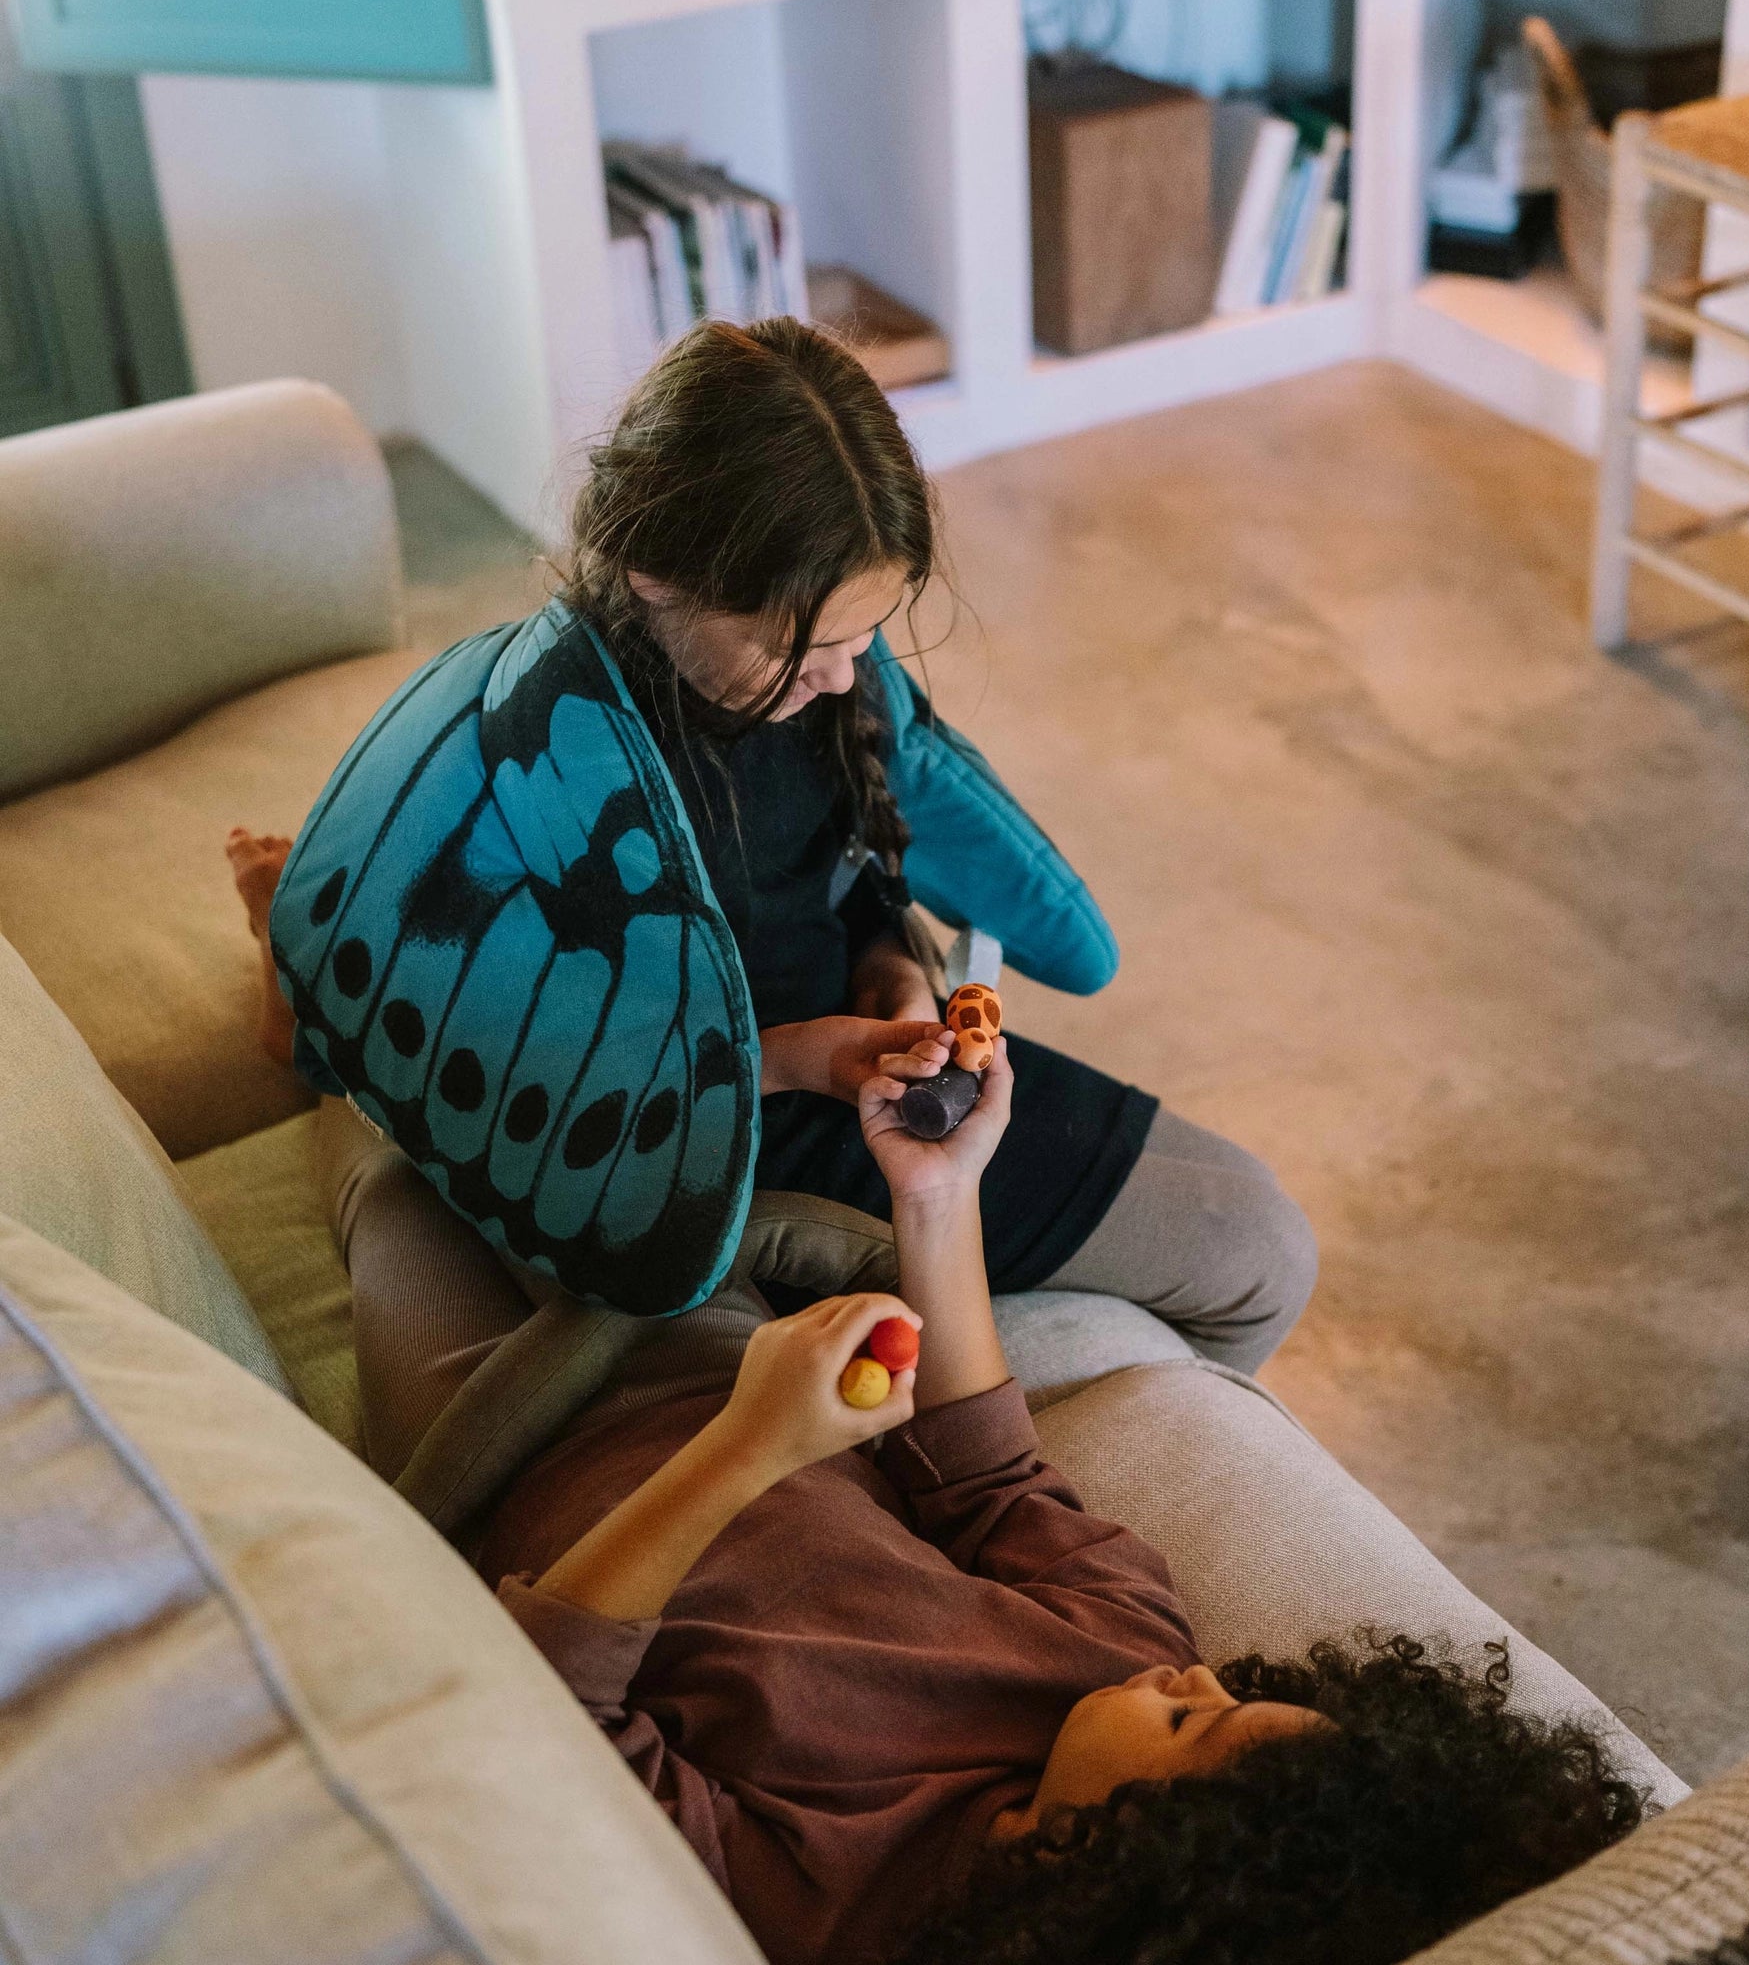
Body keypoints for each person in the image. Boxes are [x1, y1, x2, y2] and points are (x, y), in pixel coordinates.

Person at [230, 834, 1645, 1965]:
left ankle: (320, 1027)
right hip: (716, 1344)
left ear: (1145, 1879)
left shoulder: (847, 1921)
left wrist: (748, 1453)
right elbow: (987, 1461)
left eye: (1201, 1725)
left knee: (395, 1151)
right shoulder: (1116, 1656)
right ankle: (396, 952)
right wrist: (938, 1190)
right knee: (583, 1101)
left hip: (509, 1435)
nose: (1196, 1674)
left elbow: (553, 1719)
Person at [258, 316, 1315, 1365]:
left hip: (847, 1063)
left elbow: (840, 873)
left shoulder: (809, 694)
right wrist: (802, 1055)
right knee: (1257, 1252)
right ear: (655, 575)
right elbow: (578, 1087)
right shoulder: (558, 781)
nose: (843, 677)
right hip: (728, 1129)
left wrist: (890, 967)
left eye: (866, 636)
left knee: (1260, 1221)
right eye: (797, 644)